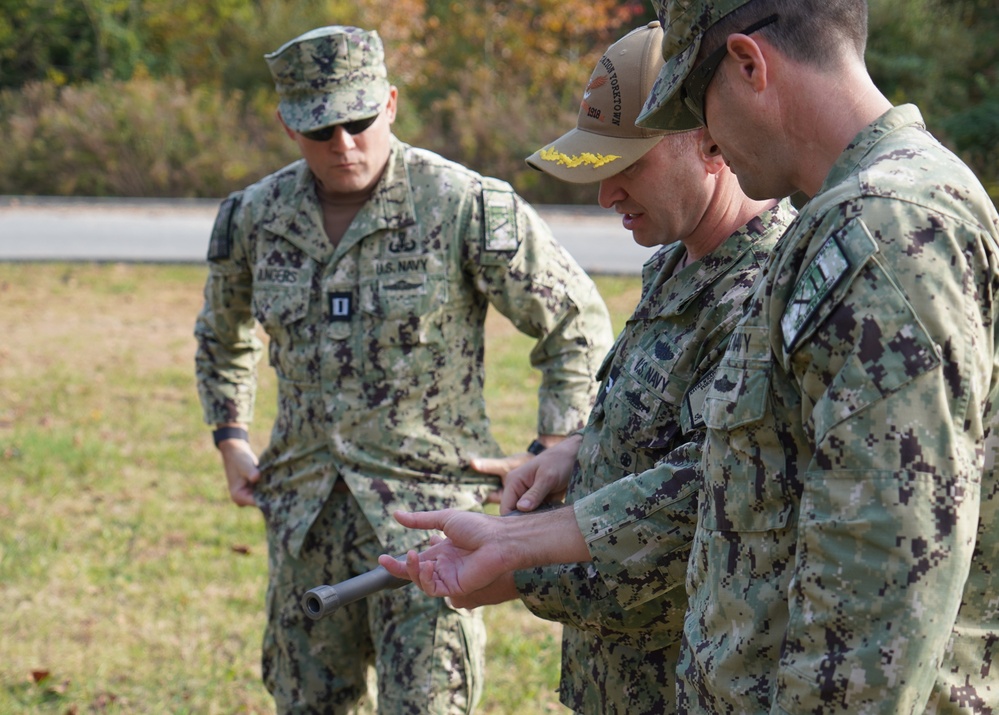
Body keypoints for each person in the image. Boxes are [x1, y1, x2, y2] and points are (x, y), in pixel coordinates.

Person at [382, 0, 999, 712]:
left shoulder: (880, 228)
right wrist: (527, 531)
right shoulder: (862, 218)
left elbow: (883, 574)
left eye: (696, 103)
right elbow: (746, 476)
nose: (705, 131)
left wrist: (522, 556)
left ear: (748, 63)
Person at [193, 25, 614, 715]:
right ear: (288, 125)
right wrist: (229, 435)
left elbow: (575, 321)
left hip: (427, 525)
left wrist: (553, 444)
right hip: (304, 515)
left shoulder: (462, 204)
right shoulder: (253, 217)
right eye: (320, 129)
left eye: (358, 122)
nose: (344, 144)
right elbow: (220, 333)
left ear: (389, 103)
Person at [384, 20, 794, 714]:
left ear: (710, 139)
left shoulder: (762, 292)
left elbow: (710, 514)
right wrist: (578, 450)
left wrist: (514, 564)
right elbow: (670, 426)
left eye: (626, 166)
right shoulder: (676, 262)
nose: (605, 196)